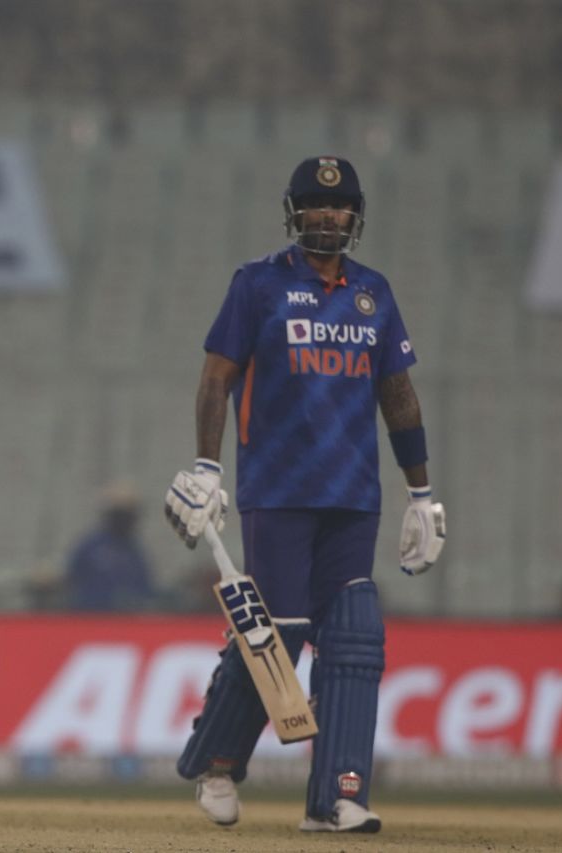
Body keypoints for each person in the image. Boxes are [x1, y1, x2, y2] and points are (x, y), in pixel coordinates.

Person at [163, 156, 446, 834]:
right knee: (279, 639)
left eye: (340, 204)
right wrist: (207, 465)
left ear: (356, 214)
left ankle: (337, 797)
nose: (328, 215)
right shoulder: (258, 284)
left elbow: (398, 395)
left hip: (354, 497)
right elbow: (216, 379)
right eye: (315, 205)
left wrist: (422, 494)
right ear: (294, 212)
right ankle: (218, 759)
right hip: (279, 492)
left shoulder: (373, 293)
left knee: (354, 641)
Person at [65, 483, 157, 610]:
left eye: (129, 516)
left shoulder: (135, 551)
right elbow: (71, 583)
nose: (125, 521)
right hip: (91, 617)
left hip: (125, 620)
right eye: (120, 515)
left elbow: (144, 589)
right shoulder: (90, 547)